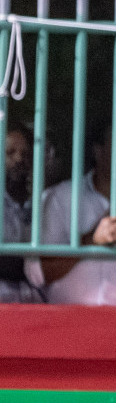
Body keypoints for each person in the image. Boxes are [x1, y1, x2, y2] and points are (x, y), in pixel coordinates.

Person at [32, 119, 116, 307]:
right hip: (67, 322)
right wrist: (90, 241)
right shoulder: (60, 198)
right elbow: (41, 275)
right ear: (98, 151)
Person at [2, 126, 41, 303]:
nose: (19, 159)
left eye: (25, 154)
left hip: (36, 304)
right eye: (10, 152)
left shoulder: (42, 201)